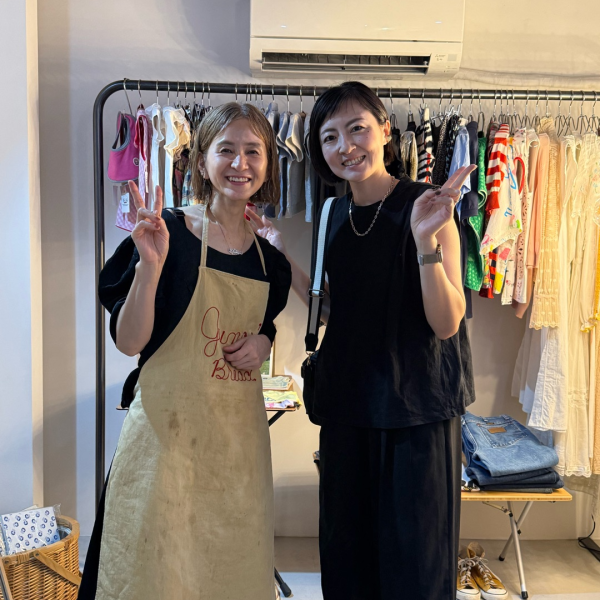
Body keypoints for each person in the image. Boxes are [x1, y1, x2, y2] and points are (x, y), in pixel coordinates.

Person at [246, 82, 476, 600]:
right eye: (329, 137)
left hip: (417, 412)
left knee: (415, 567)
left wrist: (425, 242)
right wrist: (280, 251)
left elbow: (446, 323)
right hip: (349, 409)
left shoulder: (427, 205)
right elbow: (333, 310)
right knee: (347, 561)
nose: (345, 147)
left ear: (385, 130)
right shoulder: (333, 215)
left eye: (357, 129)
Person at [79, 102, 291, 600]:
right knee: (152, 572)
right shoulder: (167, 232)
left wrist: (264, 341)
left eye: (253, 151)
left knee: (229, 571)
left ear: (268, 164)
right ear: (200, 161)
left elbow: (265, 327)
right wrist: (149, 269)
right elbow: (129, 342)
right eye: (226, 150)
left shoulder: (271, 264)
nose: (240, 163)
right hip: (164, 442)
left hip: (236, 450)